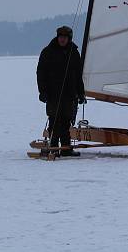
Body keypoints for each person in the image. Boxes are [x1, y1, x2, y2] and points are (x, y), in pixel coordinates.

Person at [36, 25, 86, 156]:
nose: (62, 40)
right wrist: (43, 92)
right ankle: (53, 146)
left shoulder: (74, 52)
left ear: (69, 38)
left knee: (66, 120)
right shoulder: (48, 52)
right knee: (54, 119)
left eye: (65, 37)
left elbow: (78, 75)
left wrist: (81, 93)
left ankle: (66, 148)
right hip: (53, 93)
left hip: (69, 94)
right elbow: (40, 74)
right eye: (60, 37)